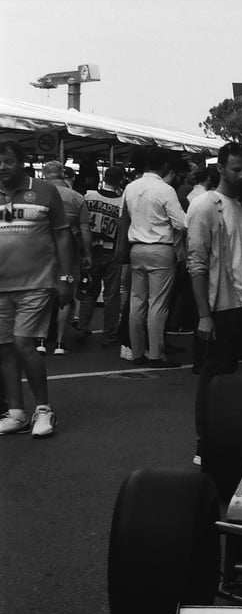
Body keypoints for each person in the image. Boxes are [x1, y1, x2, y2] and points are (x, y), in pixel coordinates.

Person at [187, 141, 242, 465]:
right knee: (212, 377)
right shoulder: (206, 205)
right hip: (219, 307)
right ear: (220, 168)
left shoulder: (241, 206)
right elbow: (196, 262)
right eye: (236, 169)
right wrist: (204, 315)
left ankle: (222, 440)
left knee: (228, 376)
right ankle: (204, 443)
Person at [0, 141, 75, 437]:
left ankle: (43, 410)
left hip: (37, 283)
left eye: (7, 161)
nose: (2, 167)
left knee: (22, 344)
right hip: (1, 286)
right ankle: (17, 412)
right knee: (5, 349)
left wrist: (66, 278)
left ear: (22, 162)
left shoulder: (45, 191)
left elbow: (63, 237)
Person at [121, 145, 187, 367]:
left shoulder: (130, 187)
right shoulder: (165, 190)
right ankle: (156, 354)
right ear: (165, 165)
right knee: (157, 304)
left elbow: (126, 217)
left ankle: (137, 351)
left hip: (136, 248)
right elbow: (181, 222)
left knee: (136, 302)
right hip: (160, 248)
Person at [41, 161, 93, 355]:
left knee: (43, 294)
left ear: (45, 174)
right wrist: (87, 253)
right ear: (63, 174)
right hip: (68, 253)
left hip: (42, 251)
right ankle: (61, 342)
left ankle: (41, 338)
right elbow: (85, 228)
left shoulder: (39, 195)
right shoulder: (77, 197)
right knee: (65, 295)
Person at [79, 165, 125, 346]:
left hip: (89, 249)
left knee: (88, 291)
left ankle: (82, 327)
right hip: (111, 250)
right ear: (120, 180)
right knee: (111, 295)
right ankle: (110, 333)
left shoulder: (88, 196)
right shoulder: (121, 201)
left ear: (104, 177)